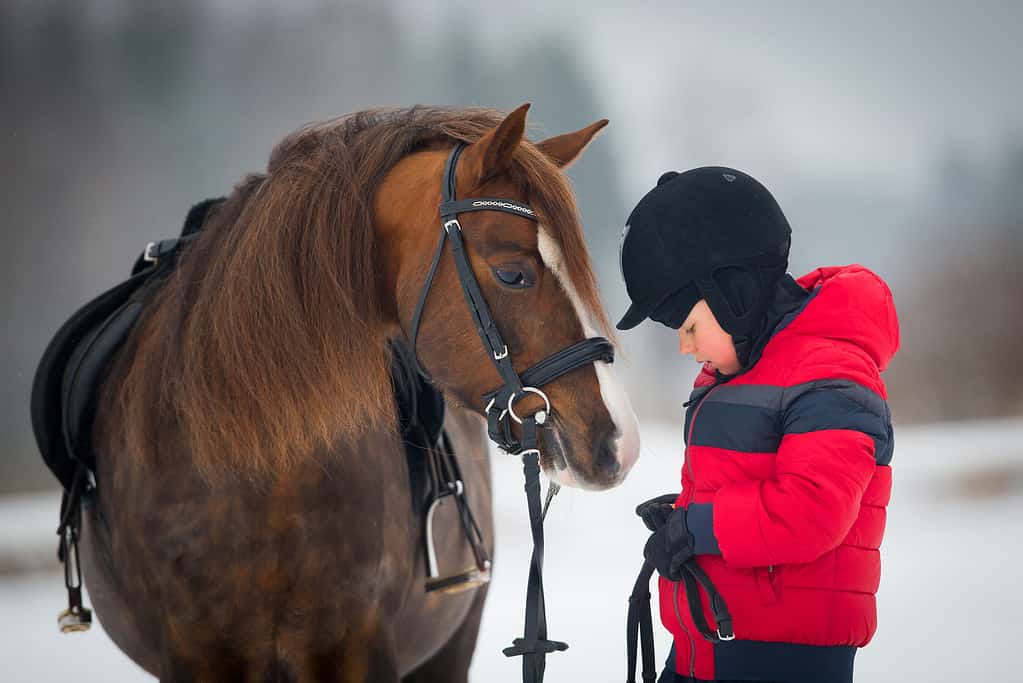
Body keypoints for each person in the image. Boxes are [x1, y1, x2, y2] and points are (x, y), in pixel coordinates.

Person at [617, 167, 900, 683]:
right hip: (705, 651)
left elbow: (813, 509)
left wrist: (699, 527)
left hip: (781, 662)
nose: (685, 346)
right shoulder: (741, 372)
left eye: (689, 326)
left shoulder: (831, 372)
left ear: (736, 293)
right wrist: (685, 518)